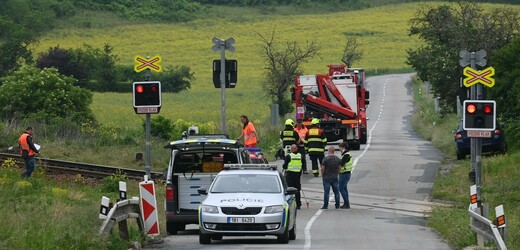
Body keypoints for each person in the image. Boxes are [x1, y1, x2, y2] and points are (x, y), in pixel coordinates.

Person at [282, 144, 302, 209]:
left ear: (291, 149)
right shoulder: (300, 156)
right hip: (298, 174)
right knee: (297, 189)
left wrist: (284, 167)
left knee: (290, 189)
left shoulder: (289, 156)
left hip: (290, 174)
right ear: (297, 149)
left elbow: (285, 166)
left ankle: (290, 204)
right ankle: (298, 204)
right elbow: (303, 163)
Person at [338, 142, 353, 209]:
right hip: (345, 173)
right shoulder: (345, 154)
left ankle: (346, 203)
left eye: (340, 147)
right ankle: (346, 203)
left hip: (344, 173)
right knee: (344, 189)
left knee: (341, 188)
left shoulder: (346, 155)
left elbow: (341, 163)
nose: (339, 149)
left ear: (343, 147)